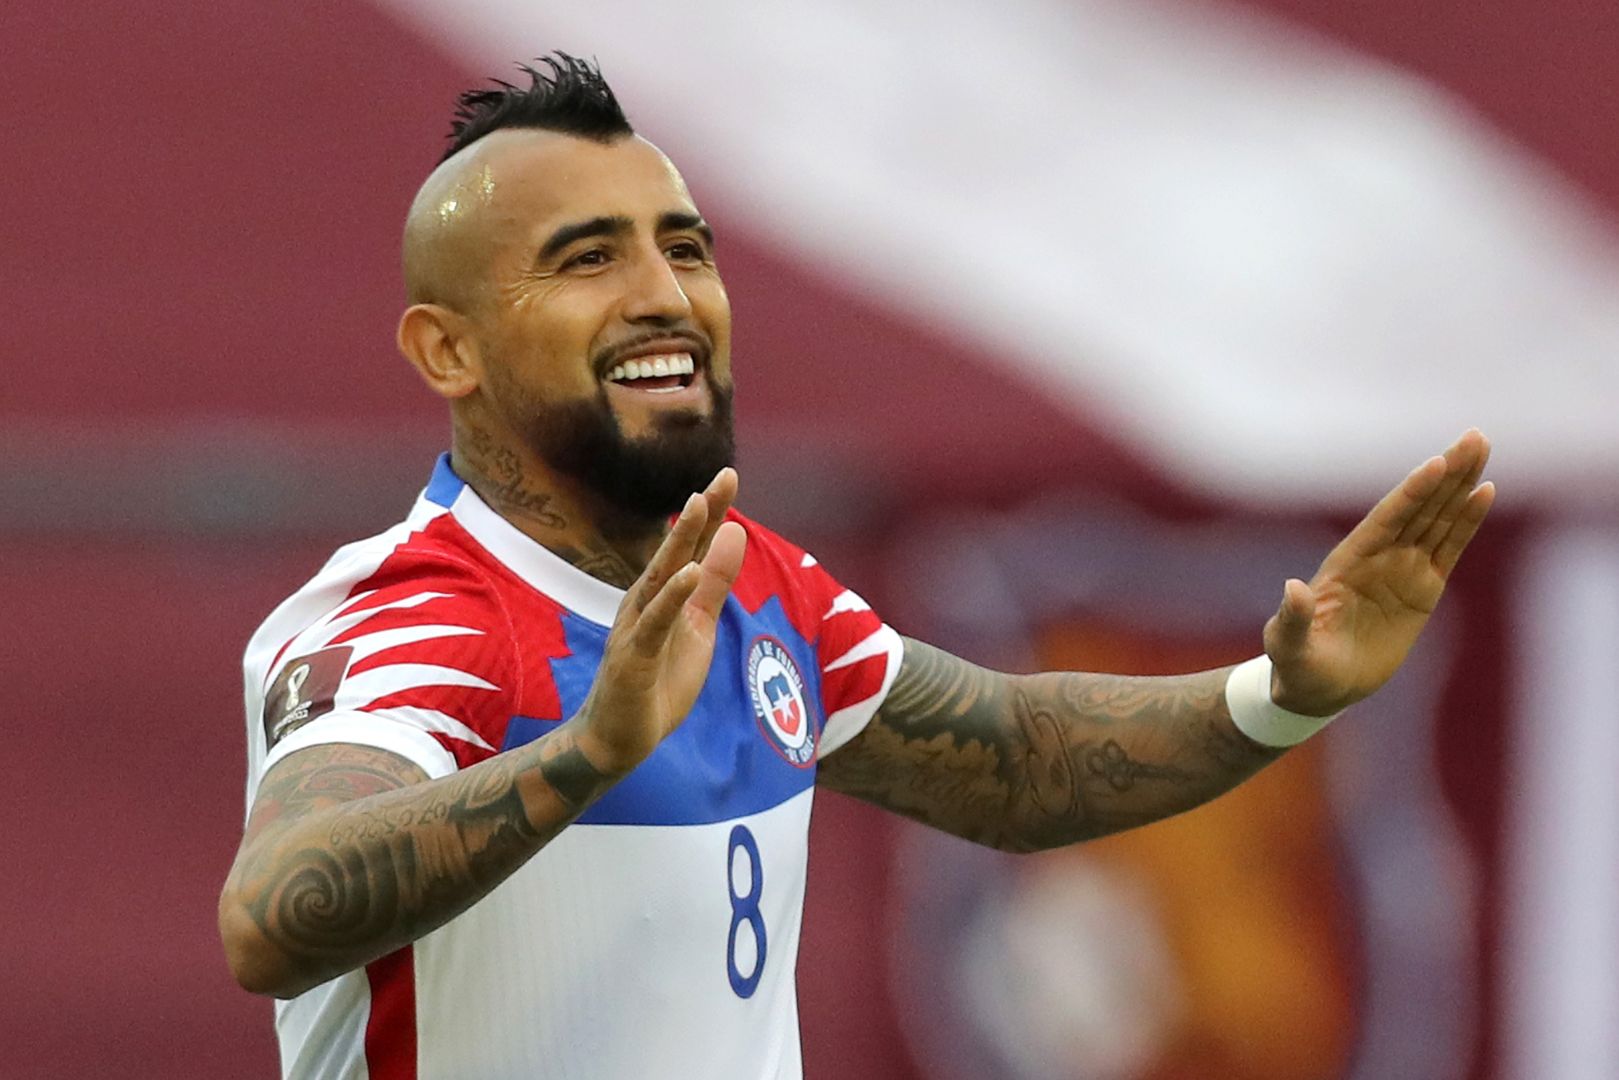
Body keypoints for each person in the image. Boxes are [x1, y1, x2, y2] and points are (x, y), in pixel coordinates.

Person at [217, 54, 1495, 1080]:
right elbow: (273, 915)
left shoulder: (750, 584)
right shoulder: (415, 619)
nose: (666, 295)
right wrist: (580, 760)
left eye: (684, 247)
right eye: (588, 257)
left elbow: (1015, 757)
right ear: (448, 351)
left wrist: (1282, 698)